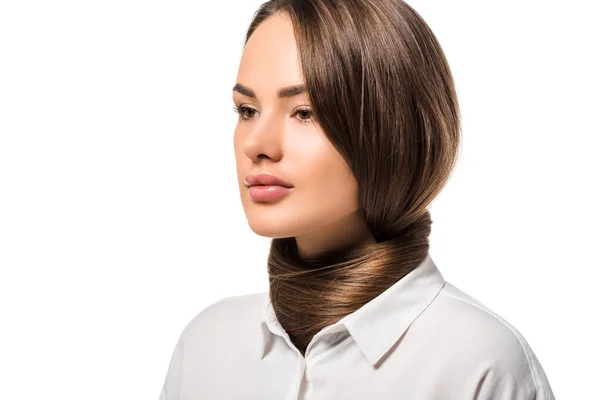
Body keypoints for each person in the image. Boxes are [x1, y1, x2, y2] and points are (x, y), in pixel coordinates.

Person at [159, 0, 555, 398]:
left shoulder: (478, 361)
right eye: (247, 110)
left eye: (303, 112)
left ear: (392, 127)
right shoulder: (206, 348)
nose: (257, 144)